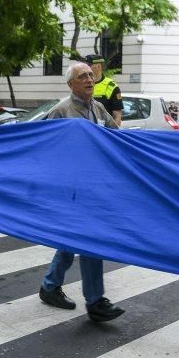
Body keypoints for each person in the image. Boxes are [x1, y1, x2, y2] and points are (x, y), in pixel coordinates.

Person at [38, 62, 125, 322]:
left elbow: (116, 139)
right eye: (82, 76)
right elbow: (44, 148)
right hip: (70, 188)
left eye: (90, 75)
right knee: (90, 238)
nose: (89, 79)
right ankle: (95, 300)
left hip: (93, 186)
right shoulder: (61, 111)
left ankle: (50, 286)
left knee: (73, 239)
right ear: (71, 84)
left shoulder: (98, 108)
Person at [84, 54, 123, 127]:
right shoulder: (82, 84)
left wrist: (111, 135)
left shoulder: (111, 86)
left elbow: (117, 116)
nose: (85, 68)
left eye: (88, 66)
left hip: (104, 132)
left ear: (98, 67)